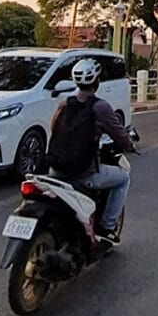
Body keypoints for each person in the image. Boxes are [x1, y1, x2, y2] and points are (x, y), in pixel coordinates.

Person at [48, 58, 135, 246]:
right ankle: (107, 227)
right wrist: (130, 146)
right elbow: (119, 134)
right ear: (97, 82)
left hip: (55, 171)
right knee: (123, 179)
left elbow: (53, 128)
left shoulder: (64, 103)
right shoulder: (100, 107)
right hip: (84, 174)